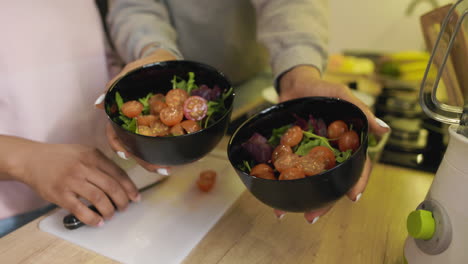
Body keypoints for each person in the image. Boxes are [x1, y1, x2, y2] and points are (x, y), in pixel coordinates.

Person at [106, 0, 391, 223]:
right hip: (176, 74)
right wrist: (154, 52)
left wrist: (298, 69)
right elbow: (135, 4)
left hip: (255, 75)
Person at [0, 1, 154, 237]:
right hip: (12, 220)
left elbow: (95, 60)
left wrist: (131, 106)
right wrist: (27, 159)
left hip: (102, 188)